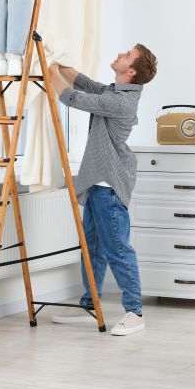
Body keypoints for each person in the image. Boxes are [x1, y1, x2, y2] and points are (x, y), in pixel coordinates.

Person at [47, 45, 158, 334]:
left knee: (118, 250)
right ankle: (90, 305)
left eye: (127, 55)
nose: (120, 54)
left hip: (109, 186)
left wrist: (48, 71)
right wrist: (58, 62)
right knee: (92, 249)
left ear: (131, 71)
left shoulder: (120, 103)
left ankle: (134, 311)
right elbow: (84, 82)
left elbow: (72, 97)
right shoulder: (115, 92)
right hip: (98, 184)